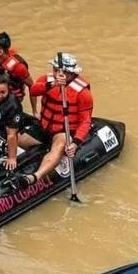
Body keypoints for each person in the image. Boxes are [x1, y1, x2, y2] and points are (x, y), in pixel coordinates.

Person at [20, 53, 94, 187]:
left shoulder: (83, 93)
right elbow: (34, 91)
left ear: (71, 73)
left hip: (64, 130)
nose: (56, 74)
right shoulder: (46, 79)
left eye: (62, 72)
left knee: (60, 145)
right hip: (44, 126)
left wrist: (76, 143)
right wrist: (52, 84)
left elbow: (85, 121)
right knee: (18, 138)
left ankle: (35, 176)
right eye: (55, 70)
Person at [0, 32, 36, 113]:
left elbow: (32, 86)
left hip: (12, 98)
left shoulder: (18, 67)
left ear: (0, 52)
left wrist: (35, 111)